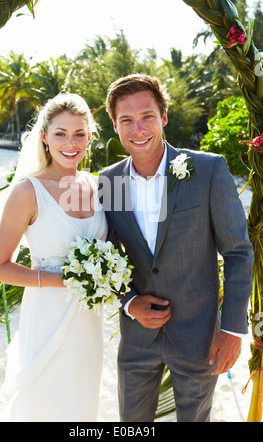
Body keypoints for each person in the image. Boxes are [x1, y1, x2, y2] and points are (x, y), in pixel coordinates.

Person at [98, 74, 253, 422]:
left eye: (147, 116)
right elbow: (108, 257)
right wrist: (129, 303)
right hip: (137, 339)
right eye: (127, 120)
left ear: (164, 116)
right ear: (115, 125)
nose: (138, 129)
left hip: (199, 337)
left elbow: (238, 253)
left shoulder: (208, 169)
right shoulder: (110, 181)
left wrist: (231, 330)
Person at [0, 93, 107, 422]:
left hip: (89, 319)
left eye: (79, 134)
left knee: (84, 402)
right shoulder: (28, 191)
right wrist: (61, 280)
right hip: (47, 315)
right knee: (46, 403)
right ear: (44, 136)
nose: (71, 143)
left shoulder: (100, 186)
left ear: (89, 135)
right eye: (60, 133)